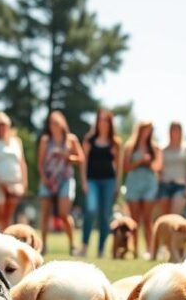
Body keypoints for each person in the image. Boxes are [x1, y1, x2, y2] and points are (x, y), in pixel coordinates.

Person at [38, 110, 84, 254]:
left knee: (64, 213)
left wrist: (68, 157)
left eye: (56, 123)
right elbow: (40, 162)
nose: (54, 126)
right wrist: (44, 178)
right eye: (51, 123)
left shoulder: (71, 140)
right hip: (49, 178)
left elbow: (81, 158)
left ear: (62, 124)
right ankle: (43, 245)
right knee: (45, 214)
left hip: (65, 178)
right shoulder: (46, 140)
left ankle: (72, 245)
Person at [80, 108, 122, 257]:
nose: (103, 123)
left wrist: (118, 184)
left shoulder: (114, 143)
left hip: (109, 181)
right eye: (100, 120)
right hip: (92, 180)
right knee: (91, 210)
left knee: (105, 215)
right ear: (97, 122)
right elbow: (83, 162)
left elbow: (118, 166)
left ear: (110, 123)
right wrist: (84, 181)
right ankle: (84, 246)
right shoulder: (89, 140)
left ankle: (101, 248)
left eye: (106, 120)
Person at [122, 120, 162, 257]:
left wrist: (149, 162)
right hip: (133, 184)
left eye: (150, 130)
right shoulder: (130, 147)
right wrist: (139, 161)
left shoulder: (155, 147)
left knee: (147, 218)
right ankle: (135, 250)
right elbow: (125, 168)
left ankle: (150, 250)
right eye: (145, 129)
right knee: (134, 220)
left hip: (149, 184)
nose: (147, 132)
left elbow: (158, 167)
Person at [0, 112, 27, 230]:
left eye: (4, 125)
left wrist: (24, 183)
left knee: (8, 216)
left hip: (14, 183)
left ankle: (3, 241)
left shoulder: (16, 141)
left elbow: (22, 163)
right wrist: (0, 183)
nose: (2, 127)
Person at [158, 121, 186, 217]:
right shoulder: (162, 148)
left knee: (174, 215)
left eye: (177, 129)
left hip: (181, 185)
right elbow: (159, 168)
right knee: (164, 217)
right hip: (165, 184)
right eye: (173, 129)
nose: (175, 132)